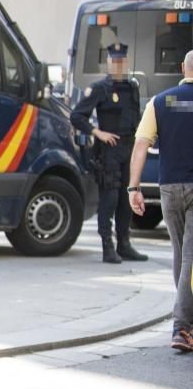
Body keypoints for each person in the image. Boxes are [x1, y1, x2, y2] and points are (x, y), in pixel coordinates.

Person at [128, 49, 193, 352]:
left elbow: (141, 144)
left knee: (181, 253)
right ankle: (181, 327)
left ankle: (185, 320)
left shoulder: (162, 101)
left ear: (183, 67)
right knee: (190, 258)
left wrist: (134, 188)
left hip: (168, 187)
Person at [70, 42, 149, 263]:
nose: (118, 65)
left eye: (122, 61)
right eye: (114, 61)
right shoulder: (100, 88)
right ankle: (108, 247)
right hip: (109, 151)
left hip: (129, 148)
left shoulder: (132, 87)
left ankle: (125, 244)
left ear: (127, 62)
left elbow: (136, 117)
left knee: (127, 198)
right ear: (108, 63)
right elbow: (76, 116)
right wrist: (98, 133)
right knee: (110, 198)